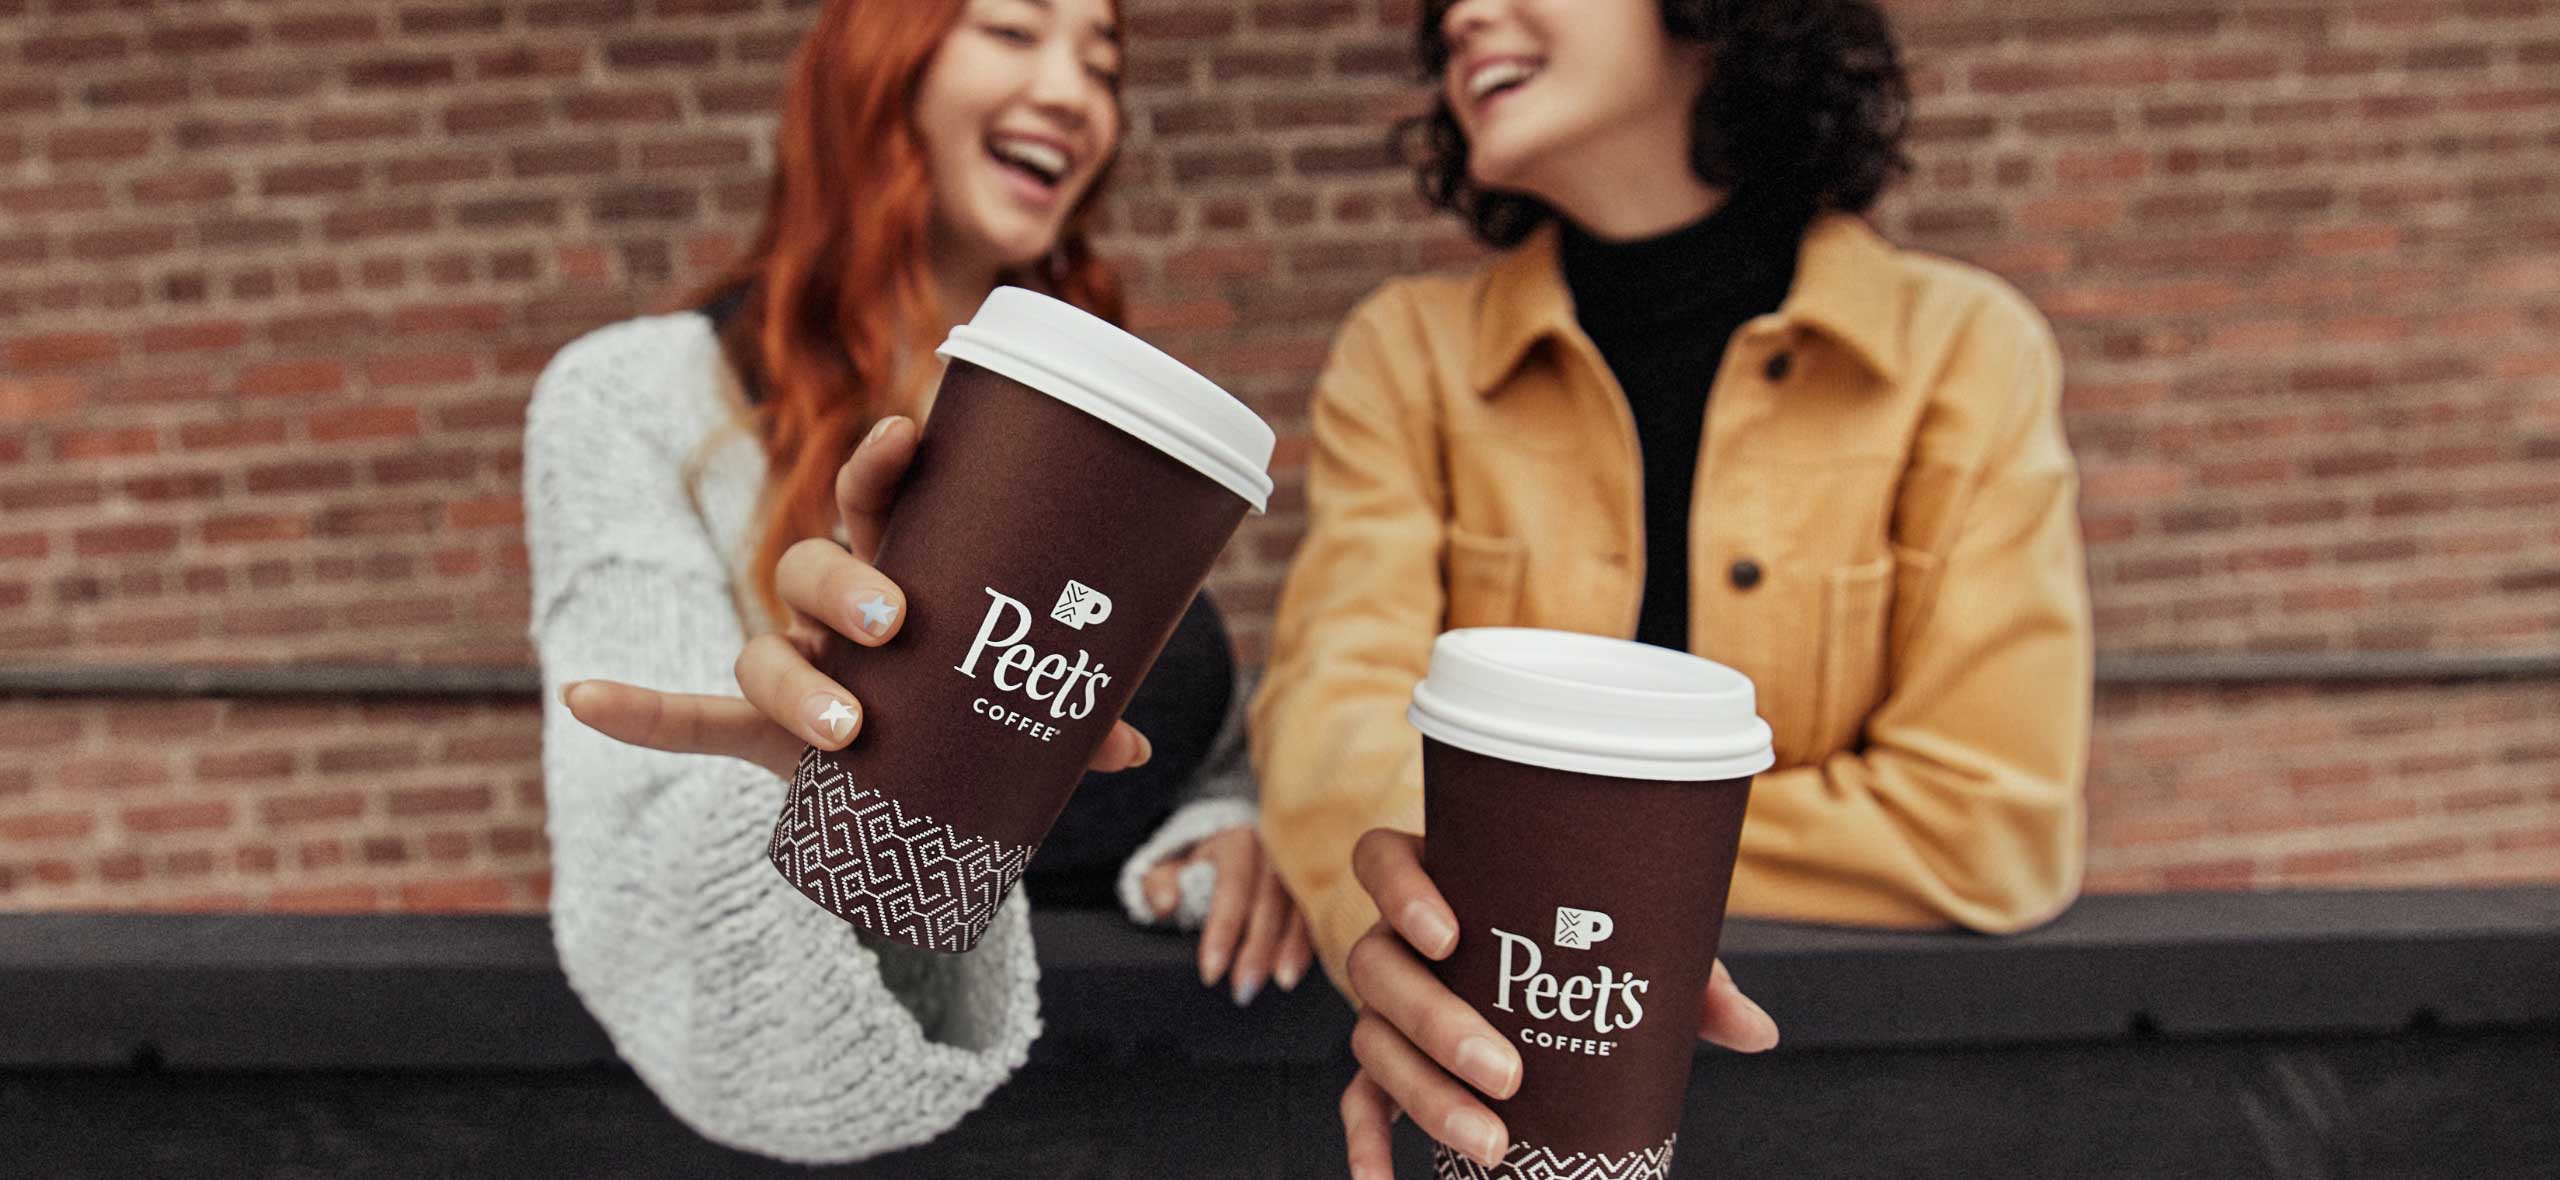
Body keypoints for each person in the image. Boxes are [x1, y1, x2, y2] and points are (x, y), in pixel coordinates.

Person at [1245, 0, 2094, 1171]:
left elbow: (1987, 821)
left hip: (1843, 1109)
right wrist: (1375, 896)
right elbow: (1331, 728)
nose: (1465, 18)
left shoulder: (1964, 352)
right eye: (1444, 11)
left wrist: (1523, 868)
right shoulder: (1407, 356)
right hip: (1493, 1101)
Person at [520, 0, 1310, 1163]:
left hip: (1167, 1105)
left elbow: (1187, 736)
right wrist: (820, 791)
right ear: (878, 65)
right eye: (1012, 30)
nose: (1074, 92)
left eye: (1101, 61)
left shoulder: (1105, 433)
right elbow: (635, 867)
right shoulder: (633, 397)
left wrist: (1226, 824)